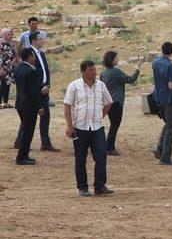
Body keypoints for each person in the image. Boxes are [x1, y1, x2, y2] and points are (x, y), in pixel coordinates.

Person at [63, 60, 114, 197]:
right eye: (90, 70)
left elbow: (108, 102)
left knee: (101, 155)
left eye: (94, 69)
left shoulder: (101, 86)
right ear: (83, 71)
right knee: (80, 158)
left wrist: (100, 116)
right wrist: (70, 126)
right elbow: (67, 106)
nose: (93, 72)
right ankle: (82, 187)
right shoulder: (74, 86)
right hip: (79, 128)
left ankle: (100, 185)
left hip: (97, 127)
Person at [14, 31, 59, 152]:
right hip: (34, 91)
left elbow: (46, 70)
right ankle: (20, 141)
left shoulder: (42, 54)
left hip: (44, 89)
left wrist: (47, 84)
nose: (42, 41)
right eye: (40, 39)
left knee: (45, 116)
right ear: (33, 41)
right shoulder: (30, 54)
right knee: (28, 118)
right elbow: (32, 74)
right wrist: (40, 87)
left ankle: (45, 143)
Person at [100, 51, 142, 156]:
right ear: (112, 60)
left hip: (107, 102)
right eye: (116, 58)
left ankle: (107, 146)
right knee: (115, 125)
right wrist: (137, 68)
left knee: (112, 124)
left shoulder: (103, 73)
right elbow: (131, 80)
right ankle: (109, 147)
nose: (118, 60)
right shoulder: (116, 71)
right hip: (116, 102)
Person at [152, 42, 172, 165]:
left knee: (168, 123)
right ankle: (165, 157)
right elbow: (171, 85)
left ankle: (159, 148)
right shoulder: (169, 66)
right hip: (169, 98)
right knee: (171, 126)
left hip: (159, 96)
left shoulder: (155, 62)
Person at [13, 48, 43, 165]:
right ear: (30, 57)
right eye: (33, 56)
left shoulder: (18, 68)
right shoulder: (31, 71)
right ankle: (21, 157)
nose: (34, 58)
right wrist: (39, 106)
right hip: (29, 106)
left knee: (25, 129)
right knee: (28, 131)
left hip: (20, 103)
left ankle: (24, 154)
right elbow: (33, 92)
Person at [1, 28, 18, 108]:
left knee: (7, 84)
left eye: (11, 34)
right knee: (3, 84)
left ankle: (5, 102)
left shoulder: (11, 43)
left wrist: (15, 59)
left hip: (10, 67)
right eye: (9, 34)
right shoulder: (1, 43)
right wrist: (1, 68)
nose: (11, 36)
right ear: (4, 35)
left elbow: (16, 54)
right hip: (3, 67)